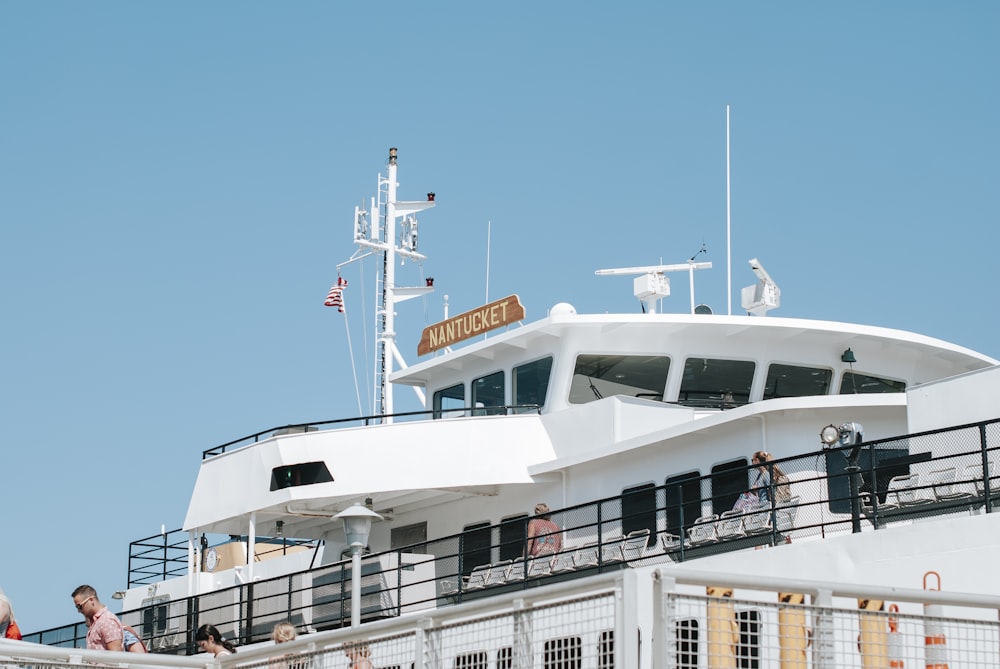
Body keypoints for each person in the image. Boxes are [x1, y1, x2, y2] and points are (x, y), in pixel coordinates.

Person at [72, 585, 123, 651]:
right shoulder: (96, 622)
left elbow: (116, 655)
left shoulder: (107, 620)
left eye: (79, 606)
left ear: (91, 600)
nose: (79, 611)